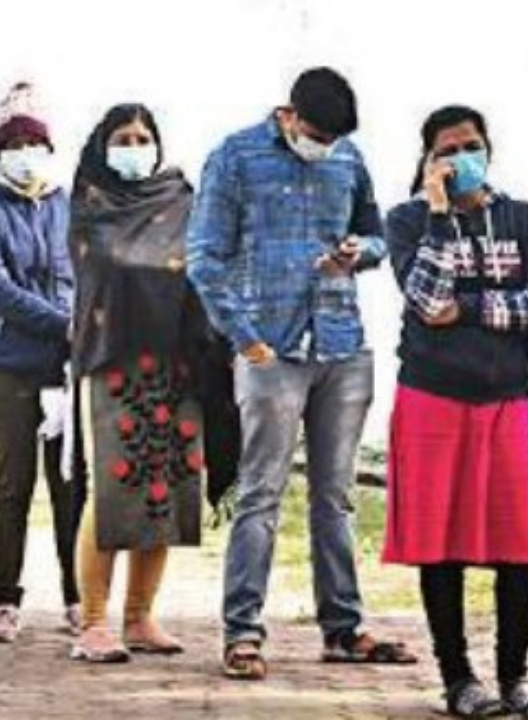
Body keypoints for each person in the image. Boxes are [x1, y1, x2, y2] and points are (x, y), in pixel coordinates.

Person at [187, 67, 413, 679]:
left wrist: (358, 253)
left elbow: (377, 233)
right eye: (317, 135)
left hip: (341, 343)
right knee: (261, 493)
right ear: (288, 115)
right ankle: (242, 632)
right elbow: (203, 258)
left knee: (335, 497)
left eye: (334, 140)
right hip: (271, 348)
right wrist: (245, 339)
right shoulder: (235, 157)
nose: (324, 147)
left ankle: (344, 628)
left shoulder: (348, 159)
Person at [383, 105, 528, 718]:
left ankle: (515, 677)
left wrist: (470, 308)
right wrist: (438, 215)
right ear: (428, 160)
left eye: (472, 146)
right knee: (442, 544)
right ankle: (458, 679)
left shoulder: (523, 219)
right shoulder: (408, 221)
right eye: (448, 150)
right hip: (432, 398)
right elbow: (426, 301)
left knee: (522, 541)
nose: (462, 158)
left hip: (509, 396)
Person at [66, 103, 208, 662]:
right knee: (111, 491)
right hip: (114, 358)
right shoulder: (91, 204)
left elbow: (204, 261)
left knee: (163, 490)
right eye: (122, 139)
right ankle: (93, 622)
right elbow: (108, 265)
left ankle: (140, 616)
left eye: (141, 137)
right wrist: (162, 267)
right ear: (103, 148)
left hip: (177, 360)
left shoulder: (181, 198)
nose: (133, 147)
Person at [0, 82, 81, 641]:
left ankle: (78, 598)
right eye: (15, 145)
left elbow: (87, 273)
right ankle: (6, 601)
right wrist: (63, 323)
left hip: (65, 368)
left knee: (70, 484)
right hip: (6, 365)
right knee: (14, 483)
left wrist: (84, 328)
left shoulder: (69, 206)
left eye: (35, 144)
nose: (26, 154)